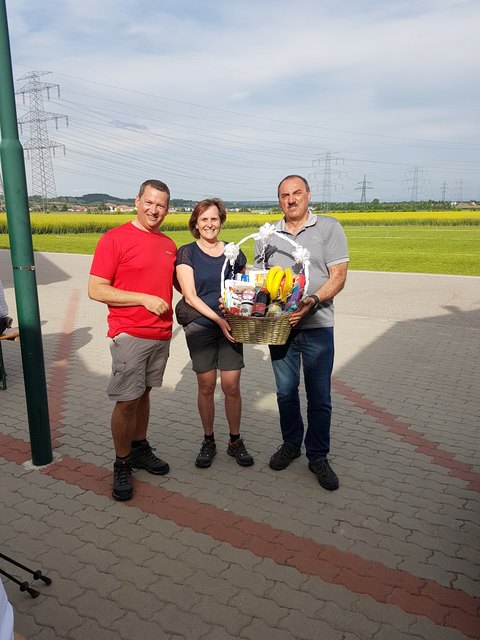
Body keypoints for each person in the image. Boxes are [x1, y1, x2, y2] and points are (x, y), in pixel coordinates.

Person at [254, 175, 349, 490]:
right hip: (279, 328)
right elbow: (257, 280)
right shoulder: (267, 235)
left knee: (319, 396)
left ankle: (318, 456)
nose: (291, 199)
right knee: (285, 392)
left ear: (309, 195)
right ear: (278, 199)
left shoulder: (328, 228)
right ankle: (292, 443)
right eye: (284, 195)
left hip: (318, 326)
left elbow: (338, 276)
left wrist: (312, 300)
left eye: (297, 193)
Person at [88, 179, 176, 501]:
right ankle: (121, 462)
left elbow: (186, 286)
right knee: (126, 401)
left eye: (161, 205)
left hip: (161, 334)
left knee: (144, 394)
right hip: (130, 334)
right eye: (149, 202)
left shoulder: (168, 244)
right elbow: (96, 289)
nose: (155, 210)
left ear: (168, 208)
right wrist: (142, 298)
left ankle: (139, 448)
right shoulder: (115, 239)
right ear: (137, 201)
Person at [176, 198, 254, 468]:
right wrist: (217, 320)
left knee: (232, 387)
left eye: (214, 219)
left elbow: (245, 287)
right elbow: (190, 295)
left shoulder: (234, 252)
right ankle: (208, 440)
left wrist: (238, 308)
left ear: (221, 221)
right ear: (196, 224)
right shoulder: (187, 252)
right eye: (204, 219)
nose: (210, 224)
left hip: (231, 327)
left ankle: (235, 441)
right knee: (207, 387)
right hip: (201, 327)